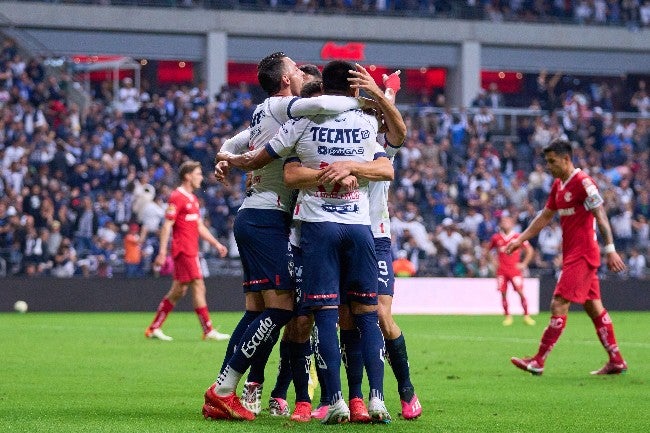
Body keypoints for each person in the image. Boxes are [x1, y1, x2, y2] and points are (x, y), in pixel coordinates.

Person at [217, 60, 394, 424]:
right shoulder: (339, 116)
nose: (299, 71)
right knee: (299, 312)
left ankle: (310, 396)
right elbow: (386, 157)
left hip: (297, 223)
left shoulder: (289, 120)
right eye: (294, 69)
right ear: (286, 79)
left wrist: (230, 159)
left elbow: (251, 150)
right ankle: (235, 386)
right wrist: (376, 97)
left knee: (290, 313)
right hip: (314, 222)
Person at [506, 138, 628, 376]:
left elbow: (600, 215)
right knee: (594, 308)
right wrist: (521, 239)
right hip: (572, 253)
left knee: (559, 303)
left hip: (584, 254)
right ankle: (616, 360)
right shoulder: (558, 185)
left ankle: (538, 361)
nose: (548, 167)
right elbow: (544, 216)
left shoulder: (584, 182)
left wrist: (610, 248)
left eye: (552, 162)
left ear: (566, 159)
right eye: (547, 162)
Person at [144, 160, 230, 342]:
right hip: (183, 250)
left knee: (179, 291)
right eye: (198, 174)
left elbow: (198, 226)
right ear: (187, 176)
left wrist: (216, 244)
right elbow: (167, 226)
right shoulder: (177, 197)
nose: (201, 178)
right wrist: (161, 252)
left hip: (191, 249)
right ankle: (208, 330)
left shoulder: (192, 199)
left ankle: (154, 328)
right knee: (199, 285)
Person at [486, 215, 535, 326]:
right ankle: (507, 316)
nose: (505, 223)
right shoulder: (496, 238)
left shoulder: (518, 237)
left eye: (507, 221)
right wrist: (493, 262)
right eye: (503, 222)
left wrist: (524, 264)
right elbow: (488, 251)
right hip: (501, 271)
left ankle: (527, 315)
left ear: (512, 223)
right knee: (503, 293)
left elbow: (530, 250)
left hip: (514, 270)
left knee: (521, 292)